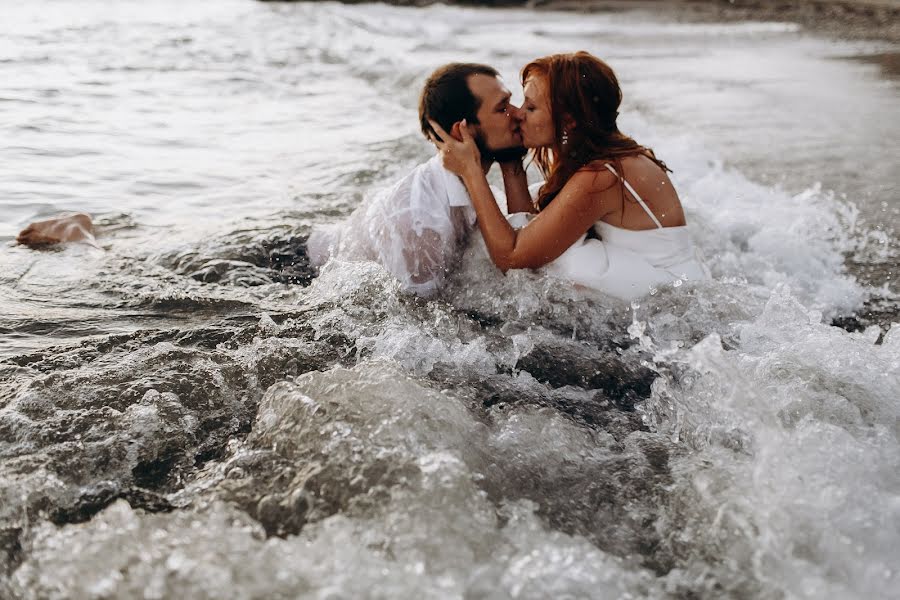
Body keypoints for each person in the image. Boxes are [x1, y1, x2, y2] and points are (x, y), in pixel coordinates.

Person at [431, 51, 707, 301]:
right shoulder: (604, 157)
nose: (518, 114)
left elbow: (514, 258)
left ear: (569, 120)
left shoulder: (601, 176)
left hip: (673, 302)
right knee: (544, 216)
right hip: (670, 286)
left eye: (531, 107)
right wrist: (511, 163)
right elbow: (529, 239)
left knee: (563, 258)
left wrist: (471, 171)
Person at [306, 62, 525, 297]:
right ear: (461, 132)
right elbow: (414, 314)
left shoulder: (482, 194)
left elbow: (522, 256)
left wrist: (512, 163)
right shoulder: (422, 219)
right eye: (502, 108)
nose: (519, 113)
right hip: (300, 270)